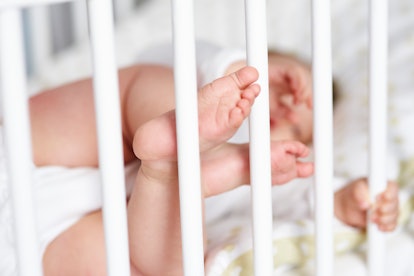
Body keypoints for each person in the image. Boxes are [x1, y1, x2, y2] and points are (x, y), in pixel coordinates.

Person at [0, 42, 398, 276]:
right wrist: (236, 69)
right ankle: (180, 142)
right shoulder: (198, 72)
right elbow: (169, 46)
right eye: (282, 93)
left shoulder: (257, 170)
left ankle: (166, 166)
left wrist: (343, 199)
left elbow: (297, 190)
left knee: (176, 267)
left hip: (36, 253)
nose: (289, 115)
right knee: (146, 85)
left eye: (298, 131)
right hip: (33, 157)